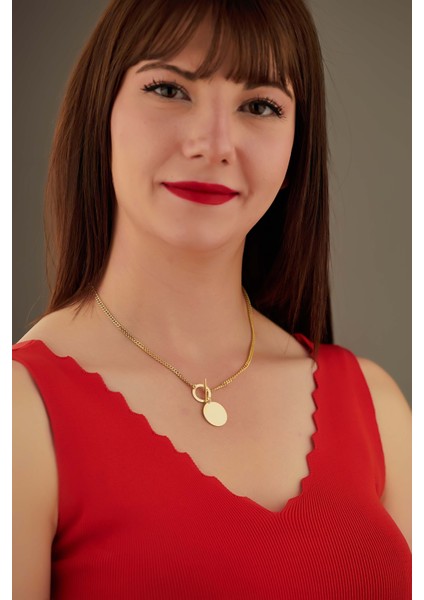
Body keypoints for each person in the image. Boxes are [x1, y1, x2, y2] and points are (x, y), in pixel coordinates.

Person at [12, 0, 411, 598]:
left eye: (260, 105)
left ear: (296, 146)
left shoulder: (375, 406)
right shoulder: (20, 414)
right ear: (102, 110)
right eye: (170, 90)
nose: (214, 144)